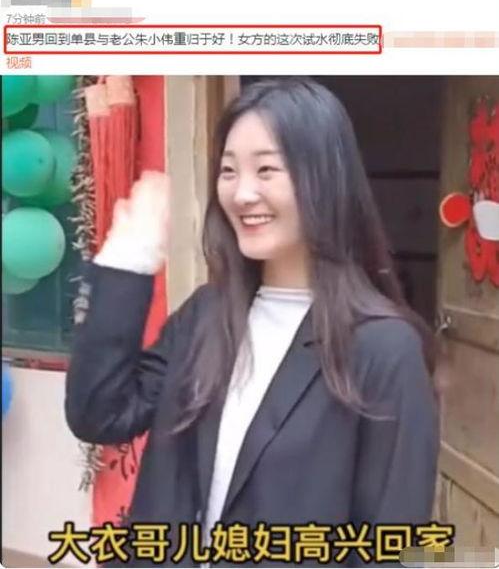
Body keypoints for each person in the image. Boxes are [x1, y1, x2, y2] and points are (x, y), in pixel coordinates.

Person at [65, 77, 440, 567]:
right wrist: (129, 260)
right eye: (228, 170)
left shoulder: (384, 349)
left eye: (266, 170)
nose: (242, 193)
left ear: (324, 178)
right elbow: (98, 413)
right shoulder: (206, 314)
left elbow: (396, 543)